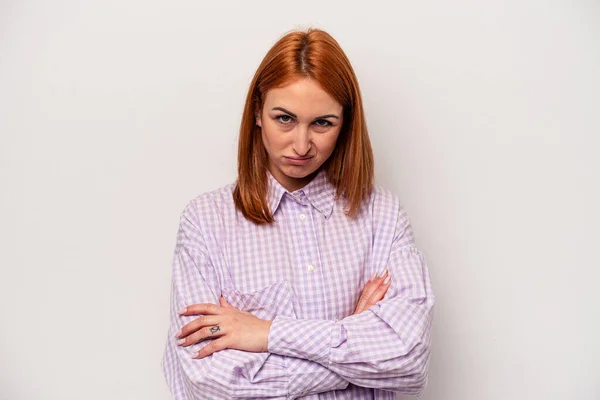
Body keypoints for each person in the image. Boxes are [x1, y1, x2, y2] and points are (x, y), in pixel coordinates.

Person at [161, 28, 435, 399]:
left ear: (345, 124)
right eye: (284, 118)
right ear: (257, 112)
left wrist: (266, 333)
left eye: (323, 123)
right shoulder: (206, 221)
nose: (302, 145)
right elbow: (213, 382)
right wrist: (355, 343)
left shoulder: (382, 215)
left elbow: (409, 358)